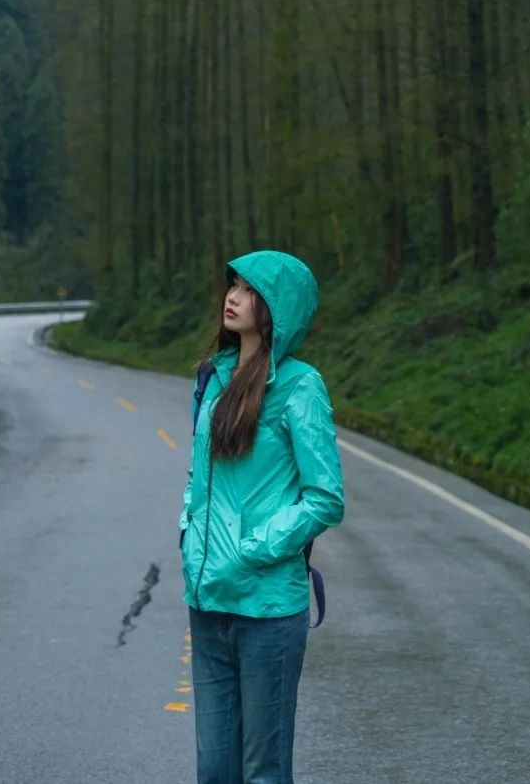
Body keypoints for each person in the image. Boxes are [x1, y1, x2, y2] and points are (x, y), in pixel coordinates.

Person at [180, 250, 345, 784]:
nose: (232, 296)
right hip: (208, 602)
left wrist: (253, 551)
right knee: (214, 771)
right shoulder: (212, 378)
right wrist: (188, 535)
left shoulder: (300, 387)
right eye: (232, 284)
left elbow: (325, 497)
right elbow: (198, 476)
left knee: (263, 773)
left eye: (249, 290)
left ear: (278, 307)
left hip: (268, 611)